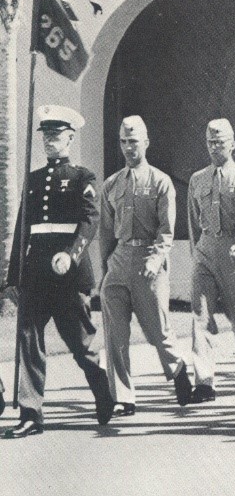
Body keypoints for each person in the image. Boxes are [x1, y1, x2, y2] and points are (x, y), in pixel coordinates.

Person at [2, 105, 114, 438]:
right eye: (46, 136)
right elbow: (23, 230)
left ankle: (103, 389)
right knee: (28, 341)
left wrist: (71, 255)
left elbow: (90, 221)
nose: (50, 142)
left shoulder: (83, 177)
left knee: (80, 344)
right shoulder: (33, 179)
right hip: (35, 275)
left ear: (70, 138)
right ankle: (31, 413)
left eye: (56, 136)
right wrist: (13, 277)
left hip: (68, 277)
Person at [99, 115, 192, 415]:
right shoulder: (111, 185)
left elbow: (166, 231)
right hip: (119, 262)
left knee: (158, 331)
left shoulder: (161, 182)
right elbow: (105, 232)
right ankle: (123, 397)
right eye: (124, 142)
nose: (128, 148)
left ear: (146, 142)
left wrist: (155, 260)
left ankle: (178, 370)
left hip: (148, 264)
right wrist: (107, 266)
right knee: (115, 334)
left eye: (133, 141)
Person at [187, 119, 235, 403]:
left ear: (233, 144)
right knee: (200, 316)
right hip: (206, 251)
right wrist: (197, 254)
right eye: (210, 142)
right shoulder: (197, 179)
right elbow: (194, 222)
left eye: (220, 142)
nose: (215, 148)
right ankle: (204, 382)